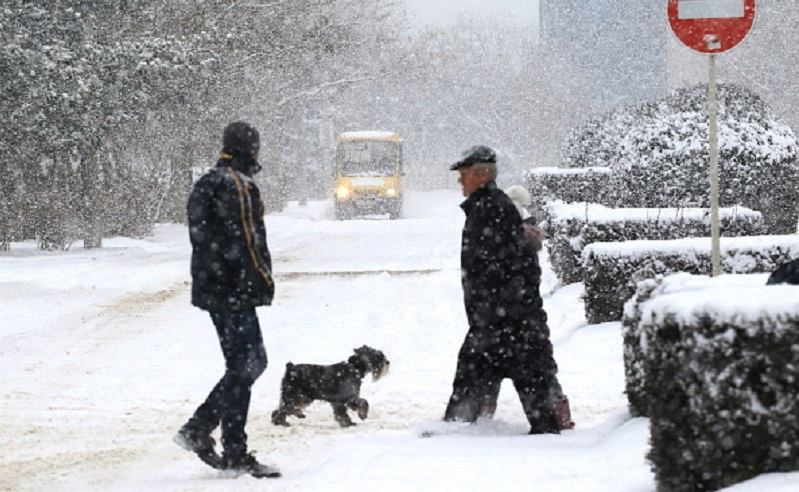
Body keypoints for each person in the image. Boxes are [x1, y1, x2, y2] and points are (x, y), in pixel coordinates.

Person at [174, 121, 280, 478]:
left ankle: (207, 432)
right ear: (250, 149)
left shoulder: (208, 181)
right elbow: (248, 241)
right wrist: (264, 281)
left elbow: (204, 237)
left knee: (245, 364)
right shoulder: (238, 185)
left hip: (213, 288)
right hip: (234, 289)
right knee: (249, 363)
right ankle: (218, 440)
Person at [443, 145, 562, 434]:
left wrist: (496, 312)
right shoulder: (489, 207)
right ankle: (458, 429)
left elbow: (506, 266)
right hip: (505, 320)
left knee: (477, 375)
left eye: (464, 175)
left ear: (481, 175)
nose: (460, 181)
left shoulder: (490, 209)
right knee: (524, 380)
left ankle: (454, 433)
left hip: (502, 320)